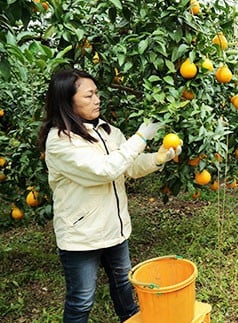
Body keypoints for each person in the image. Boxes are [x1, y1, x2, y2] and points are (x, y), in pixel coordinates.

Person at [37, 68, 181, 322]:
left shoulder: (108, 131)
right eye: (88, 95)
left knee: (124, 288)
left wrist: (158, 158)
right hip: (81, 236)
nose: (97, 99)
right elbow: (105, 170)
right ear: (67, 101)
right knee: (81, 299)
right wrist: (140, 136)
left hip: (115, 229)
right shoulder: (60, 141)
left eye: (97, 93)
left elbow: (128, 167)